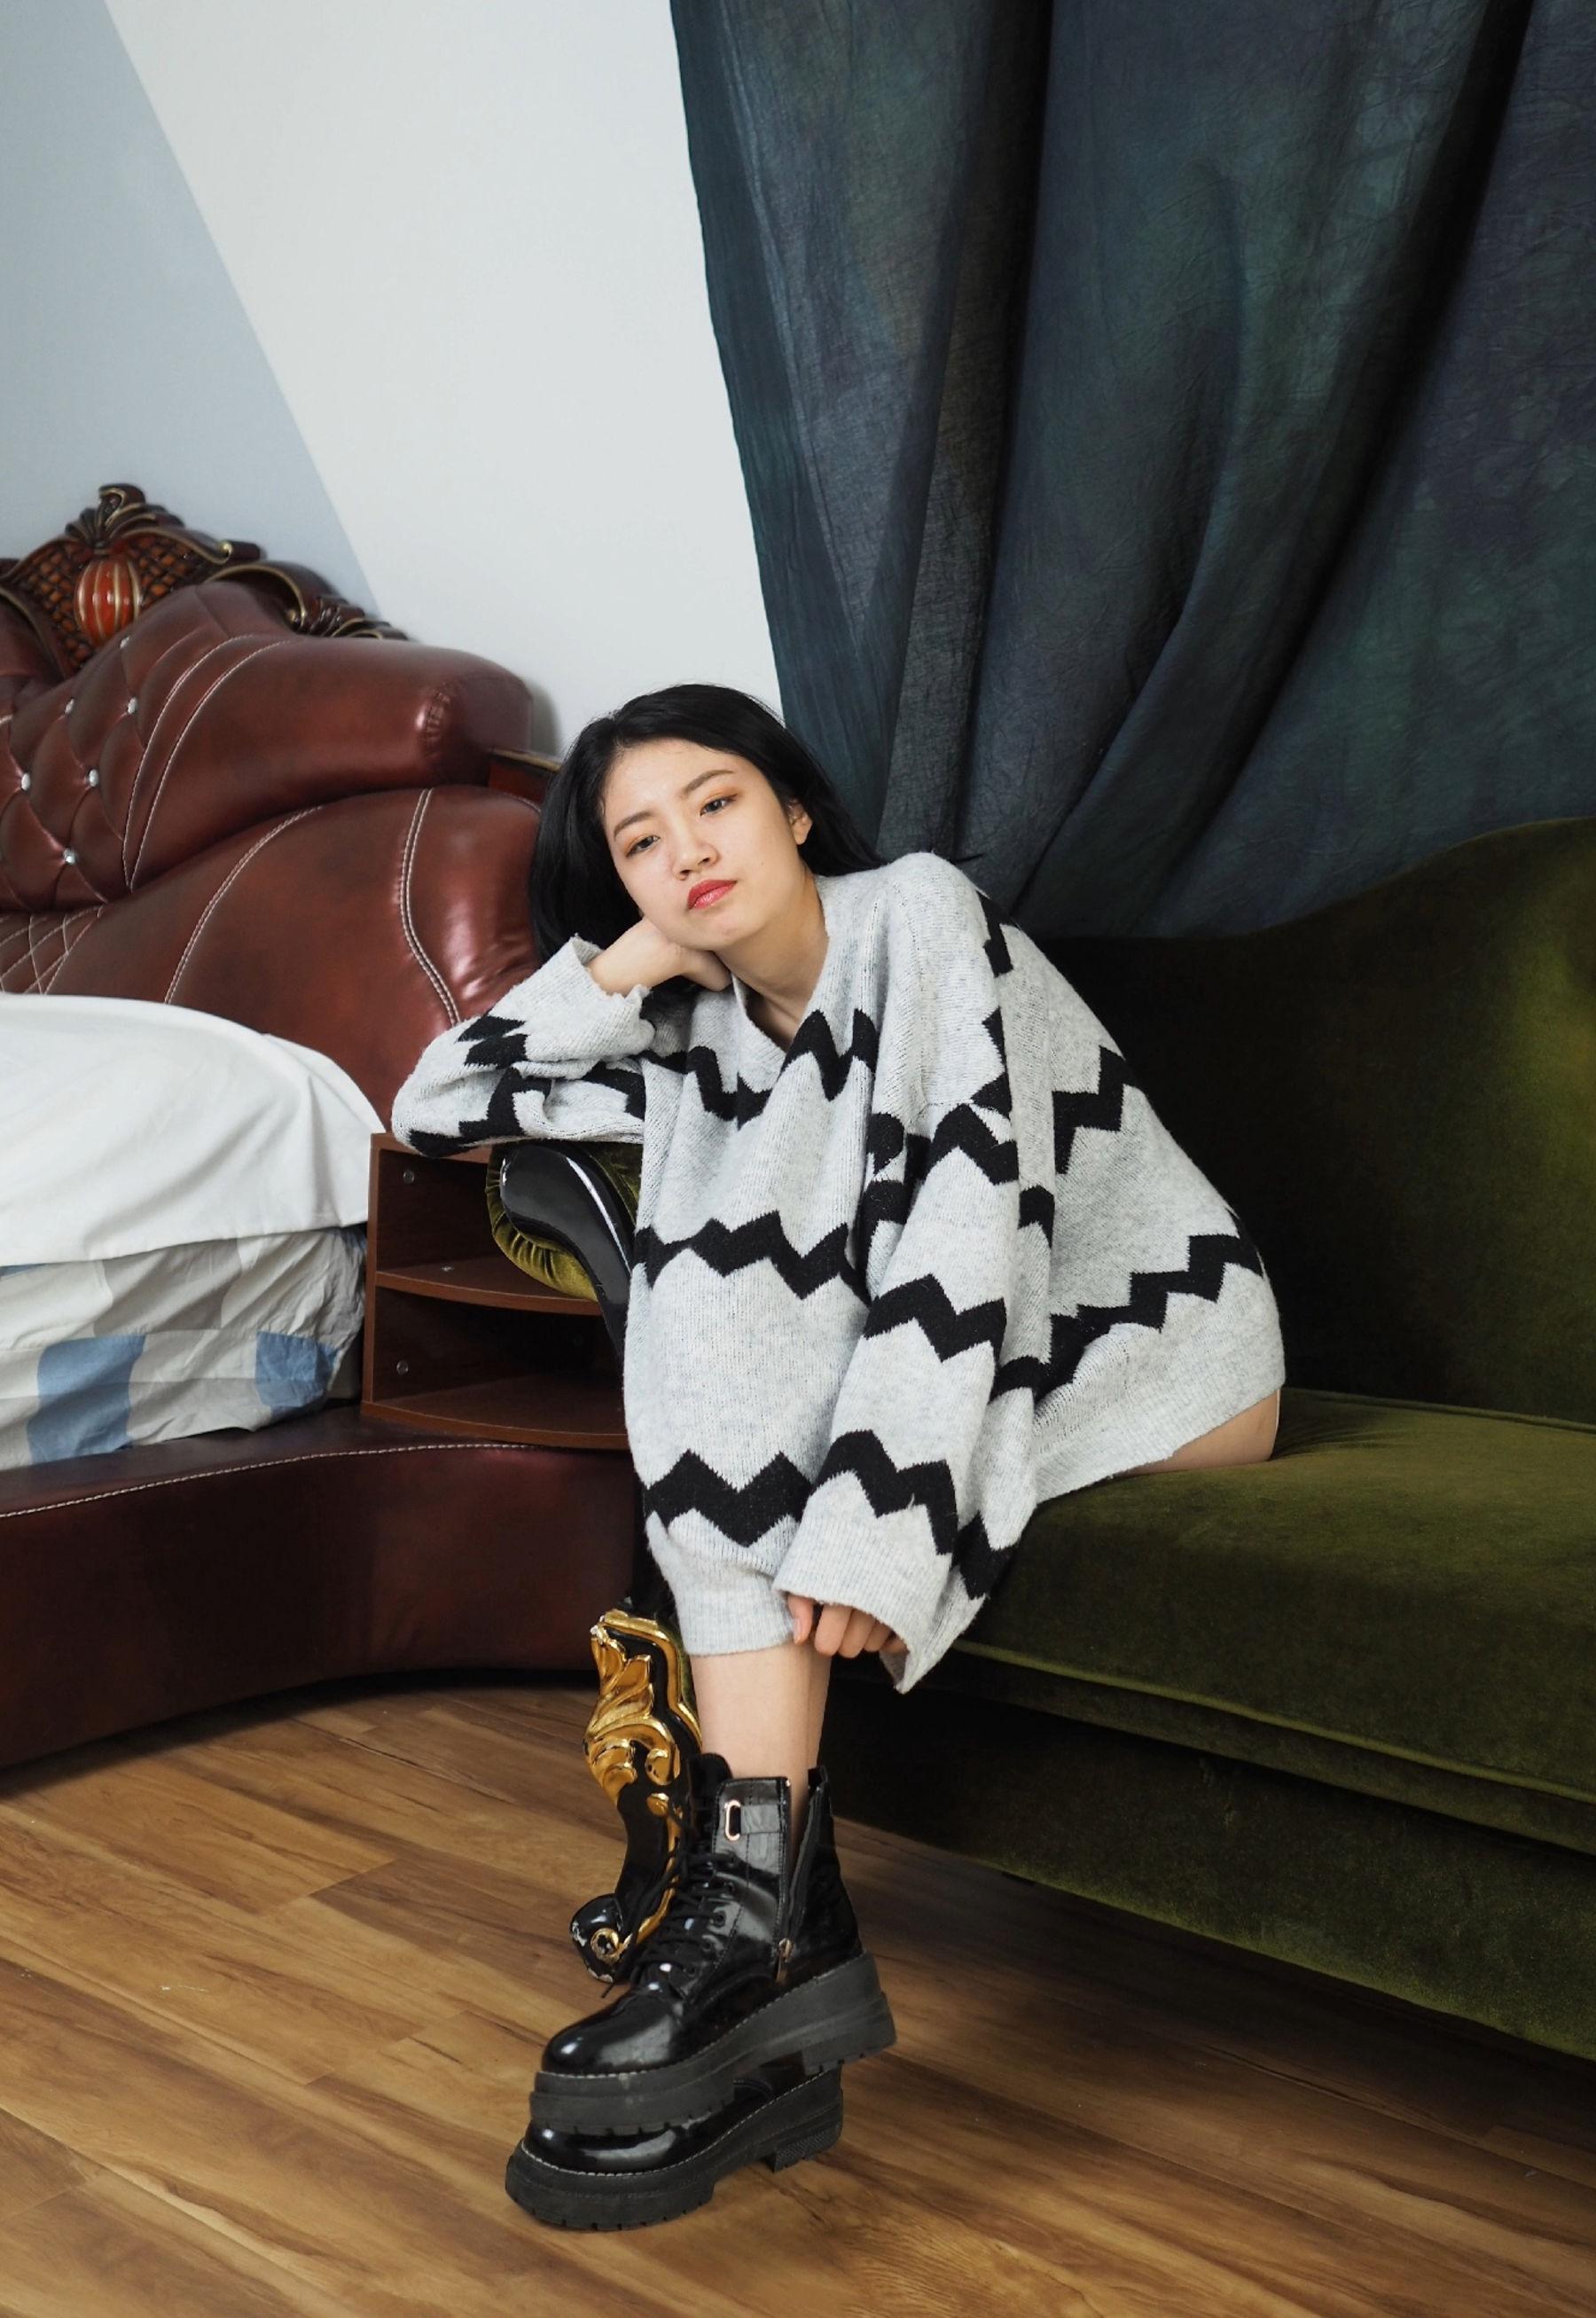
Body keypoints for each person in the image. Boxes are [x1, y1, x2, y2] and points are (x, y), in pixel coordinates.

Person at [390, 681, 1284, 2226]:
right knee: (711, 1298)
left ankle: (758, 1922)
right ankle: (768, 1924)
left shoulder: (916, 917)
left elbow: (964, 1225)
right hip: (996, 1357)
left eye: (716, 804)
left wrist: (881, 1523)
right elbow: (437, 1103)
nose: (688, 852)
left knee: (742, 1326)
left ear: (795, 808)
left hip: (1158, 1348)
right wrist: (627, 962)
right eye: (641, 841)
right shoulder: (687, 1021)